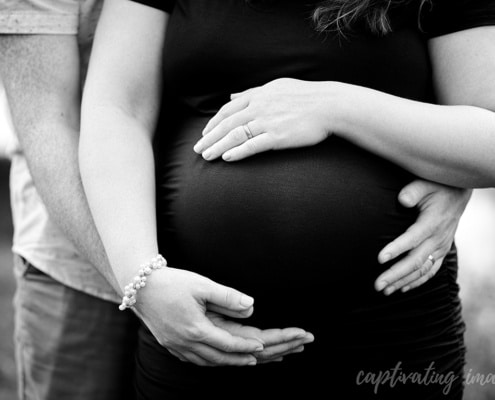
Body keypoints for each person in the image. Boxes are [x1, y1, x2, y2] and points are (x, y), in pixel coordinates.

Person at [77, 0, 491, 398]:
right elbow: (116, 110)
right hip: (195, 326)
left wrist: (336, 106)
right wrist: (142, 277)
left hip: (390, 328)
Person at [0, 0, 348, 398]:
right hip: (85, 266)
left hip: (211, 260)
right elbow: (46, 123)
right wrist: (139, 284)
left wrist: (435, 173)